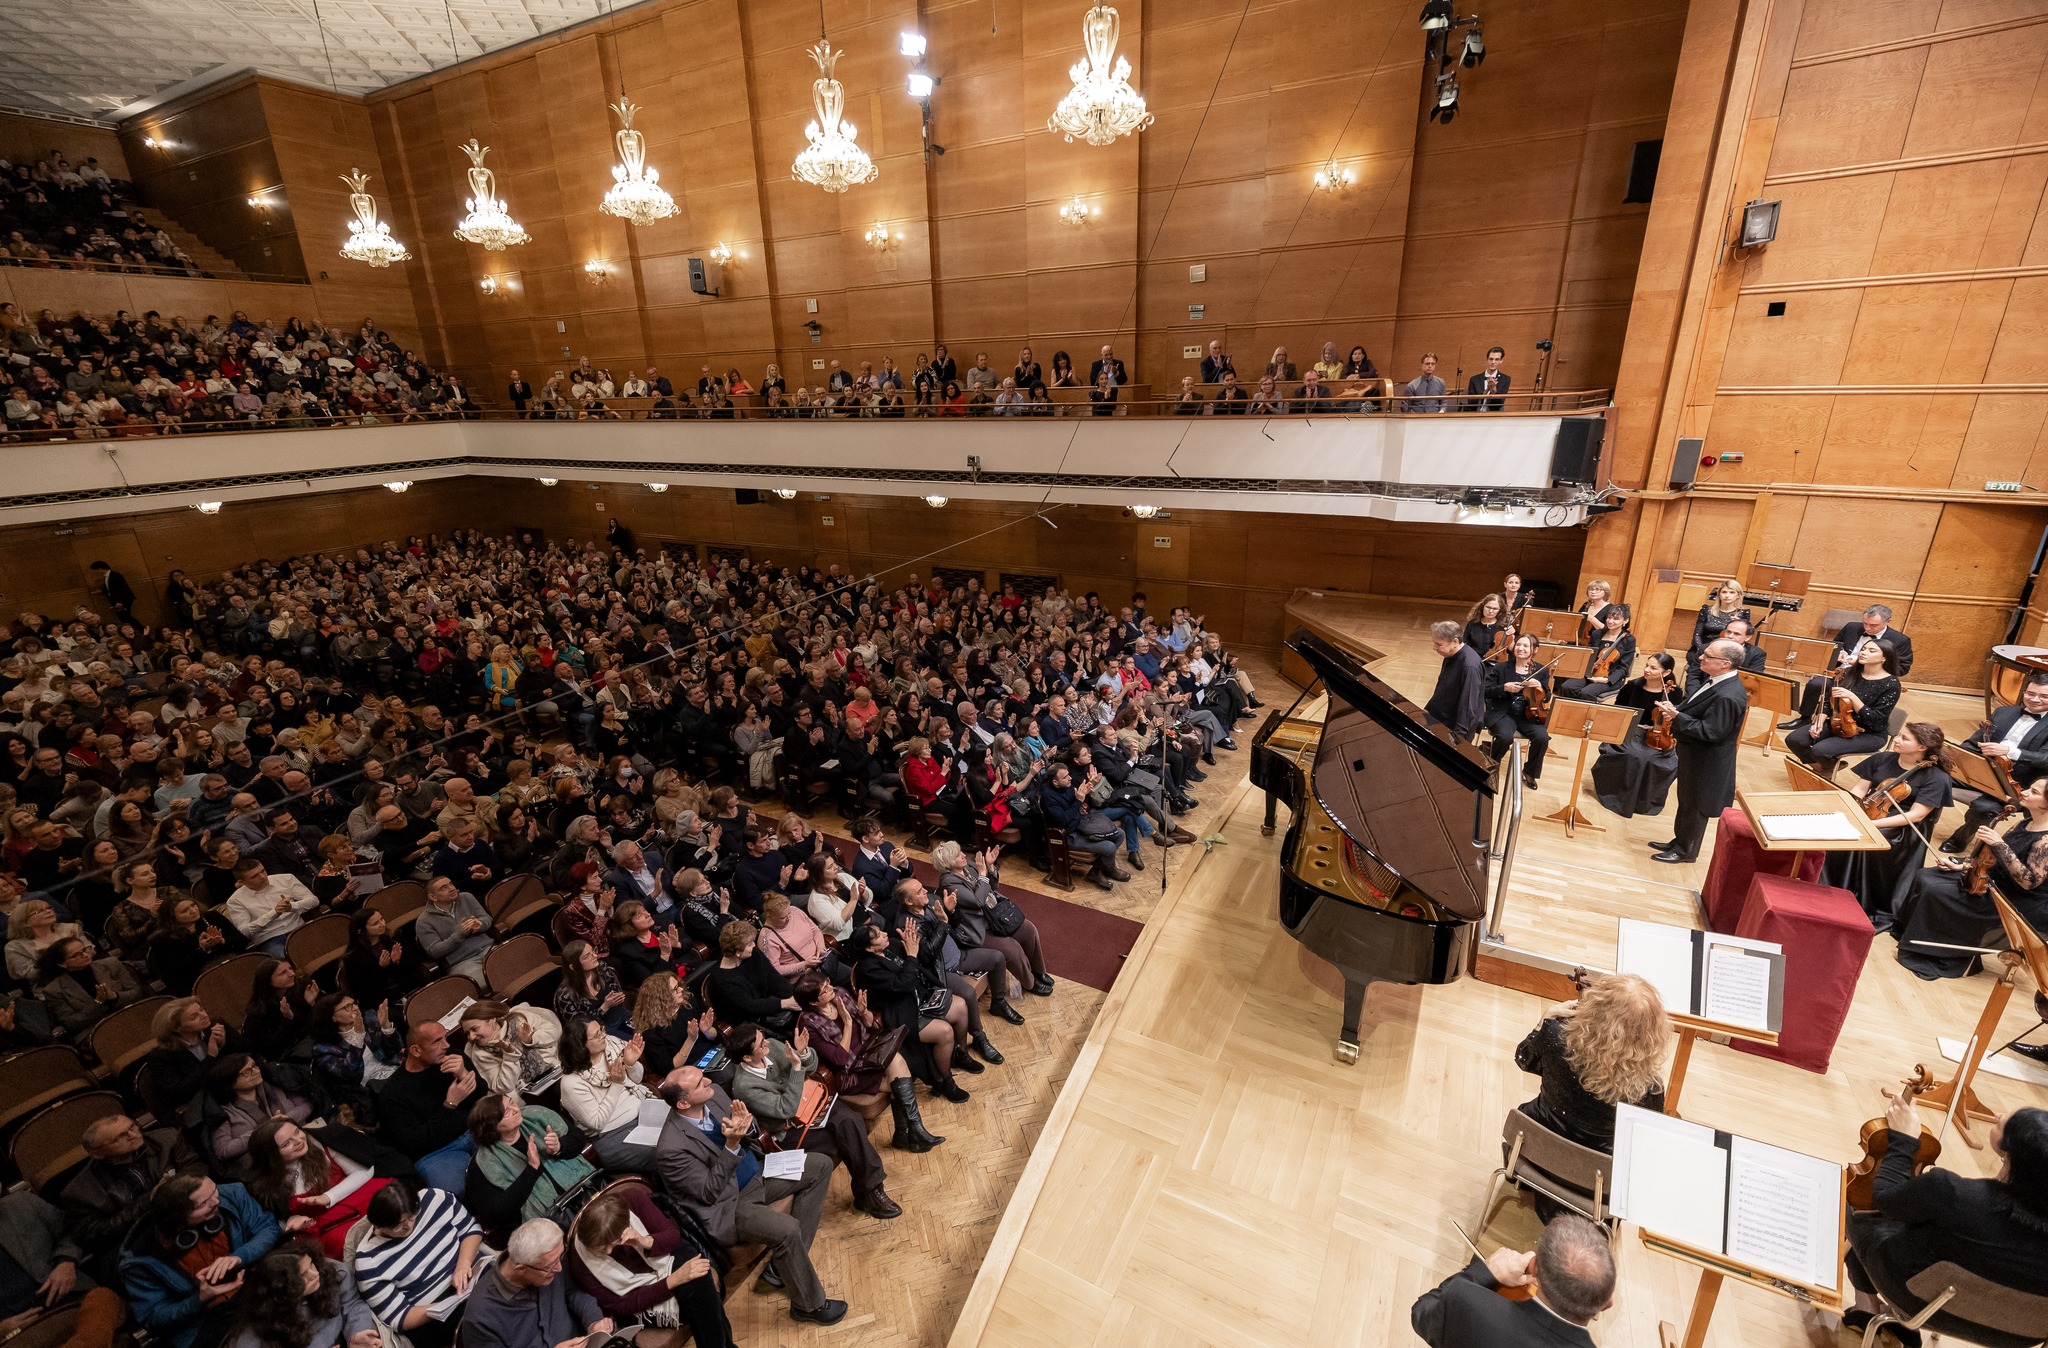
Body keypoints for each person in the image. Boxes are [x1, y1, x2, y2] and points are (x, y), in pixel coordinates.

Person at [1841, 1101, 2048, 1346]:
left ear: (2011, 1155)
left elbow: (1884, 1199)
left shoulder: (1953, 1194)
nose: (1997, 1115)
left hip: (1917, 1301)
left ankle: (1867, 1308)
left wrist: (1903, 1140)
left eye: (2003, 1122)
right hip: (2022, 1335)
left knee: (1858, 1199)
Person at [653, 1066, 847, 1326]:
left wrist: (748, 1129)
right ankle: (808, 1306)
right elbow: (709, 1192)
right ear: (684, 1103)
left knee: (820, 1165)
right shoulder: (671, 1148)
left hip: (759, 1172)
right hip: (730, 1204)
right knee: (788, 1229)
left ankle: (781, 1268)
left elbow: (750, 1130)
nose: (708, 1081)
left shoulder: (715, 1093)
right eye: (699, 1083)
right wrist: (731, 1145)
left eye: (703, 1076)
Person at [1893, 777, 2048, 981]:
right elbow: (1993, 859)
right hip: (1992, 880)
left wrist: (2000, 845)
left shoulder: (2045, 840)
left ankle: (1938, 952)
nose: (2024, 792)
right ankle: (1909, 934)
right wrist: (1962, 866)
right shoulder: (2026, 822)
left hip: (2013, 899)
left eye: (2034, 792)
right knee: (1926, 876)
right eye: (2030, 788)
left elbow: (2028, 882)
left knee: (1936, 891)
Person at [117, 1176, 283, 1348]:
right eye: (204, 1204)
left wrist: (239, 1256)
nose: (216, 1200)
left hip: (251, 1289)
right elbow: (154, 1317)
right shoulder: (139, 1260)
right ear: (179, 1217)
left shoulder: (232, 1194)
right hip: (204, 1321)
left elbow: (268, 1228)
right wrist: (200, 1298)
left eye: (214, 1191)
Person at [1514, 974, 1666, 1156]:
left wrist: (1544, 1021)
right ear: (1650, 1033)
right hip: (1593, 1171)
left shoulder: (1556, 1038)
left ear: (1594, 1007)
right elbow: (1644, 1137)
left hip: (1531, 1147)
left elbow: (1524, 1059)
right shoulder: (1649, 1087)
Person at [1410, 1214, 1611, 1348]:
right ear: (1606, 1303)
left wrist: (1483, 1272)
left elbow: (1421, 1312)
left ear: (1533, 1265)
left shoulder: (1466, 1300)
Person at [1826, 723, 1953, 932]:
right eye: (1899, 735)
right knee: (1836, 826)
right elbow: (1859, 790)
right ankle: (1829, 886)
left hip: (1903, 828)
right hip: (1870, 810)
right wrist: (1850, 810)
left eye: (1904, 738)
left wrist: (1871, 823)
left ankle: (1854, 896)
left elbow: (1916, 815)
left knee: (1864, 836)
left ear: (1922, 747)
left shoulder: (1937, 778)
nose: (1897, 740)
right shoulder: (1882, 759)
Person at [792, 970, 938, 1151]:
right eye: (824, 990)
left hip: (867, 1052)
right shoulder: (809, 1025)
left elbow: (869, 1025)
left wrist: (864, 1011)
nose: (830, 988)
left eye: (827, 982)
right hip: (848, 1072)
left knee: (897, 1064)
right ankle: (910, 1131)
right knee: (898, 1079)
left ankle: (908, 1132)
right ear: (814, 1002)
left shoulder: (840, 994)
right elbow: (840, 1059)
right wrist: (847, 1023)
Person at [567, 1193, 733, 1348]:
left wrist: (644, 1241)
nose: (609, 1251)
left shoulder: (633, 1199)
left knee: (699, 1278)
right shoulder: (579, 1261)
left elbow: (673, 1236)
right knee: (701, 1292)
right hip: (636, 1299)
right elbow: (621, 1305)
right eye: (600, 1248)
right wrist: (673, 1281)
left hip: (666, 1256)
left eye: (615, 1242)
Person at [53, 1113, 206, 1264]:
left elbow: (196, 1166)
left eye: (132, 1126)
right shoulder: (79, 1192)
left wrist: (172, 1189)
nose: (134, 1134)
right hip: (139, 1238)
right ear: (98, 1154)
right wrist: (150, 1200)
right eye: (121, 1136)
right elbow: (94, 1236)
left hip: (186, 1208)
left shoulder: (167, 1139)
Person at [350, 1184, 482, 1348]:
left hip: (470, 1273)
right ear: (378, 1225)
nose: (408, 1226)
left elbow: (471, 1229)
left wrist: (463, 1264)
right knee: (481, 1319)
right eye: (398, 1226)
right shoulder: (368, 1262)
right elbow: (398, 1317)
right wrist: (442, 1308)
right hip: (431, 1314)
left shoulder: (435, 1199)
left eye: (412, 1217)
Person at [1652, 639, 1748, 864]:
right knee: (1686, 800)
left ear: (1725, 664)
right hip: (1694, 754)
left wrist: (1678, 717)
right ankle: (1678, 841)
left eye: (1708, 656)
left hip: (1707, 761)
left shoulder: (1728, 695)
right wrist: (1678, 710)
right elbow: (1699, 710)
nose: (1701, 657)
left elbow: (1711, 731)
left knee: (1697, 805)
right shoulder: (1717, 681)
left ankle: (1686, 851)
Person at [462, 1219, 617, 1348]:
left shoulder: (549, 1259)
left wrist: (593, 1321)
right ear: (521, 1269)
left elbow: (573, 1293)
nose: (559, 1268)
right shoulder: (480, 1317)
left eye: (560, 1257)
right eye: (550, 1266)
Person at [937, 839, 1053, 1010]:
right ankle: (1030, 983)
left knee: (1029, 929)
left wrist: (990, 867)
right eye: (957, 855)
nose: (963, 855)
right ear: (948, 863)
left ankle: (1038, 971)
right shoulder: (949, 882)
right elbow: (977, 901)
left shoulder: (970, 865)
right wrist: (983, 874)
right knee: (1011, 949)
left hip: (994, 916)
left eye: (961, 851)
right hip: (978, 929)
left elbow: (993, 886)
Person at [1942, 672, 2048, 851]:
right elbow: (1973, 743)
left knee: (1983, 808)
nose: (2035, 699)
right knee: (1936, 775)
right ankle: (1925, 820)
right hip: (1983, 772)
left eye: (2044, 696)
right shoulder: (2003, 712)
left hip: (2017, 785)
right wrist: (1961, 757)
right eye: (2030, 693)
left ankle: (1961, 838)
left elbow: (2045, 758)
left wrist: (2010, 751)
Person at [374, 1022, 481, 1192]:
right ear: (416, 1051)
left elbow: (481, 1096)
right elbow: (416, 1143)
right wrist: (450, 1104)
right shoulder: (392, 1094)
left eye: (445, 1037)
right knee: (453, 1190)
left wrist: (463, 1075)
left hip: (473, 1129)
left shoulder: (453, 1058)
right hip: (438, 1152)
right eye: (437, 1041)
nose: (446, 1045)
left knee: (513, 1148)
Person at [462, 1092, 593, 1233]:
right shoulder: (483, 1164)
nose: (515, 1109)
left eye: (512, 1102)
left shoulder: (537, 1116)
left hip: (586, 1191)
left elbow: (578, 1137)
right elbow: (498, 1213)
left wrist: (559, 1147)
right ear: (492, 1127)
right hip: (549, 1223)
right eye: (506, 1113)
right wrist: (532, 1169)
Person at [224, 1241, 376, 1348]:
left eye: (311, 1264)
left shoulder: (333, 1271)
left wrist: (357, 1331)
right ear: (282, 1288)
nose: (314, 1274)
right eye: (302, 1275)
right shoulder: (257, 1329)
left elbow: (352, 1302)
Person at [1785, 604, 1916, 727]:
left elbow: (1903, 668)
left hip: (1866, 681)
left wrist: (1867, 663)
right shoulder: (1851, 627)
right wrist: (1839, 653)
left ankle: (1837, 722)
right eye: (1865, 623)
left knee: (1838, 693)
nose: (1867, 628)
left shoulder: (1900, 640)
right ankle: (1805, 718)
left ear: (1888, 622)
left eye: (1873, 625)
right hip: (1839, 673)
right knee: (1815, 684)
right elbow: (1834, 647)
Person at [557, 1016, 660, 1173]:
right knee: (661, 1151)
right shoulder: (571, 1082)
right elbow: (597, 1122)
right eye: (597, 1035)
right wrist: (616, 1084)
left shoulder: (611, 1045)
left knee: (682, 1126)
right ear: (580, 1045)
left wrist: (631, 1064)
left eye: (602, 1030)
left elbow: (637, 1080)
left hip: (642, 1112)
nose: (604, 1035)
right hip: (611, 1135)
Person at [1785, 636, 1900, 774]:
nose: (1863, 652)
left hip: (1868, 733)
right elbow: (1829, 700)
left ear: (1884, 658)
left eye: (1871, 651)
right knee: (1794, 740)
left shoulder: (1891, 684)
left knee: (1820, 750)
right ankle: (1825, 769)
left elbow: (1877, 720)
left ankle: (1823, 772)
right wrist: (1819, 722)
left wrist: (1853, 698)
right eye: (1863, 649)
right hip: (1838, 723)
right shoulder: (1851, 672)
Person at [1591, 654, 1681, 820]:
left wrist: (1671, 713)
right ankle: (1618, 799)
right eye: (1647, 665)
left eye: (1653, 668)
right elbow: (1617, 711)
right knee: (1637, 756)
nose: (1646, 670)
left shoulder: (1674, 693)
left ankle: (1641, 803)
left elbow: (1676, 722)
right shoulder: (1631, 687)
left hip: (1659, 736)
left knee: (1657, 759)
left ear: (1667, 672)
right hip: (1630, 731)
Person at [1481, 634, 1550, 791]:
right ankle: (1491, 765)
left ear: (1535, 650)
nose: (1521, 648)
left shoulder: (1541, 671)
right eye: (1518, 645)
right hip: (1503, 712)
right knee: (1505, 737)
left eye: (1526, 646)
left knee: (1542, 737)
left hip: (1529, 714)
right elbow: (1485, 691)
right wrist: (1504, 688)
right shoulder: (1500, 668)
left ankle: (1530, 772)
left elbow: (1547, 697)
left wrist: (1540, 687)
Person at [416, 875, 492, 982]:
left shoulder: (467, 897)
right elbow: (434, 951)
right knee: (487, 981)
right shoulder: (424, 921)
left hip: (488, 949)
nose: (451, 888)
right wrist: (459, 935)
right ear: (433, 897)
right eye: (444, 888)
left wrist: (481, 924)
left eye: (451, 884)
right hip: (461, 962)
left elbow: (487, 918)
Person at [1555, 605, 1634, 703]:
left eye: (1616, 619)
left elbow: (1623, 667)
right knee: (1566, 686)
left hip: (1610, 678)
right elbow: (1588, 655)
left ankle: (1584, 712)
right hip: (1590, 672)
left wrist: (1607, 679)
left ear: (1625, 621)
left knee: (1586, 693)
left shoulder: (1628, 640)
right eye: (1609, 617)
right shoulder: (1597, 634)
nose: (1610, 621)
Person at [1424, 619, 1485, 744]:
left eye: (1438, 644)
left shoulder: (1470, 667)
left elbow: (1468, 706)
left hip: (1454, 729)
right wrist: (1428, 708)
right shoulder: (1450, 654)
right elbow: (1442, 686)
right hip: (1440, 719)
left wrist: (1457, 739)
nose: (1434, 648)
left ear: (1455, 642)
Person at [1463, 346, 1512, 411]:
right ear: (1486, 360)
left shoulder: (1505, 379)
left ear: (1501, 361)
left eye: (1497, 359)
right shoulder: (1474, 379)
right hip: (1475, 414)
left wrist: (1494, 392)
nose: (1493, 362)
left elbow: (1499, 405)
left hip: (1493, 415)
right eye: (1491, 359)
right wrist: (1485, 392)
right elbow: (1471, 402)